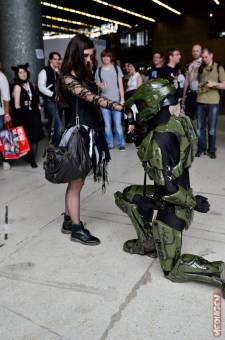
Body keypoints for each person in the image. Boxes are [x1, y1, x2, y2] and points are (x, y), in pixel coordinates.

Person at [115, 78, 225, 298]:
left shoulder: (159, 139)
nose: (141, 111)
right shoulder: (178, 122)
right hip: (174, 194)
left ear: (154, 104)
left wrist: (193, 203)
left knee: (171, 270)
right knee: (127, 196)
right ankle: (147, 243)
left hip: (175, 206)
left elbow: (168, 188)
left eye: (144, 106)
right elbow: (169, 158)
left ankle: (219, 270)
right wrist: (139, 136)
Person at [60, 34, 133, 246]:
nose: (89, 60)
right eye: (85, 55)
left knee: (77, 181)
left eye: (91, 56)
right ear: (75, 54)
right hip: (79, 133)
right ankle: (75, 228)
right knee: (76, 182)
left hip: (90, 130)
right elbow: (92, 98)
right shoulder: (67, 77)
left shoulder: (84, 73)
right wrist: (121, 106)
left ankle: (67, 219)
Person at [190, 48, 225, 158]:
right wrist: (194, 69)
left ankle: (211, 149)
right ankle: (201, 148)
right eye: (203, 57)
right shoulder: (200, 68)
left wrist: (214, 84)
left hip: (213, 102)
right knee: (200, 128)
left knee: (212, 128)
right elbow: (191, 80)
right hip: (200, 101)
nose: (204, 59)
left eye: (206, 57)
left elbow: (224, 85)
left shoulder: (219, 68)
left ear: (211, 55)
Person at [11, 63, 43, 168]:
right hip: (24, 116)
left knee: (35, 137)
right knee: (28, 139)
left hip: (34, 114)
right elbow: (16, 106)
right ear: (17, 74)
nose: (23, 74)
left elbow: (35, 98)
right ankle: (32, 159)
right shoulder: (17, 86)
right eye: (20, 72)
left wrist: (37, 105)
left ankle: (31, 157)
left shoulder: (30, 84)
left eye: (24, 72)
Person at [95, 49, 126, 151]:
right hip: (104, 101)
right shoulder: (99, 70)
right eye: (104, 56)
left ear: (111, 57)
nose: (105, 58)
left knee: (117, 123)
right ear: (102, 58)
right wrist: (99, 85)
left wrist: (122, 99)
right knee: (107, 124)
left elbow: (121, 85)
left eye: (107, 56)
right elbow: (98, 86)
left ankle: (121, 144)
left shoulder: (116, 69)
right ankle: (110, 144)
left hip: (116, 99)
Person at [38, 51, 63, 146]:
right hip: (50, 102)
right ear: (50, 60)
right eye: (55, 59)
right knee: (59, 125)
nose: (57, 61)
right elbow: (41, 87)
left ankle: (52, 142)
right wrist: (53, 95)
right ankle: (58, 145)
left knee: (52, 124)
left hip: (59, 102)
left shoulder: (58, 71)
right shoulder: (44, 71)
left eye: (58, 59)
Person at [182, 44, 202, 122]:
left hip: (201, 93)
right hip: (191, 94)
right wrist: (184, 95)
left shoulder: (203, 63)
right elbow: (187, 81)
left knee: (199, 118)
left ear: (201, 51)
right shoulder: (190, 64)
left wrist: (194, 70)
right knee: (189, 117)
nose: (195, 52)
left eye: (197, 51)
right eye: (193, 51)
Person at [0, 63, 12, 169]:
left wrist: (7, 113)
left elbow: (6, 97)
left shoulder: (1, 76)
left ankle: (5, 159)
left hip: (0, 113)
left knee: (3, 136)